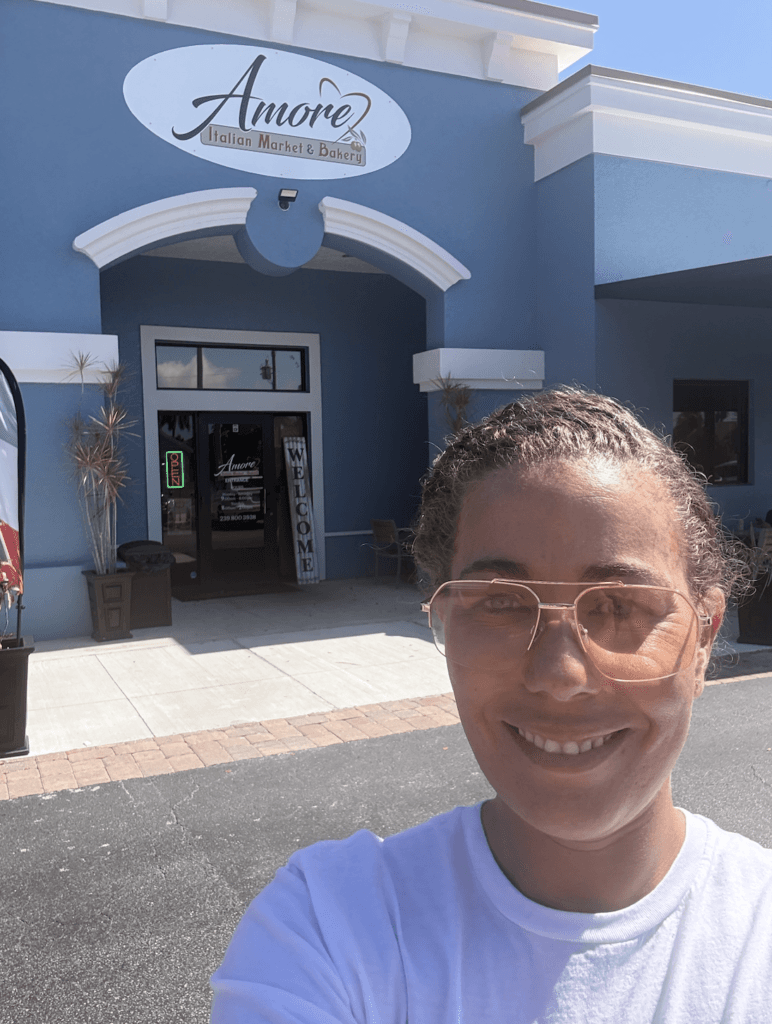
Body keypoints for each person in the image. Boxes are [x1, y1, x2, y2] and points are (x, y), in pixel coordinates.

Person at [210, 385, 772, 1023]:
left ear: (703, 638)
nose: (559, 674)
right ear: (443, 622)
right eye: (501, 603)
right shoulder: (329, 928)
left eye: (618, 606)